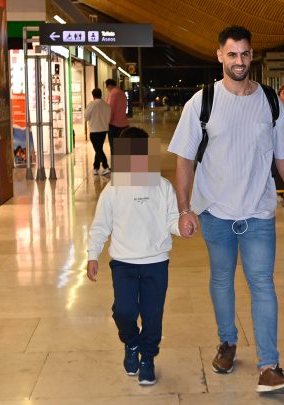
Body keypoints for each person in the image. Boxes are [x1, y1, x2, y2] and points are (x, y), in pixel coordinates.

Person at [168, 25, 284, 395]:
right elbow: (184, 159)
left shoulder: (271, 101)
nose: (239, 61)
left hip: (258, 211)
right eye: (232, 54)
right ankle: (227, 342)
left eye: (244, 54)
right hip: (214, 211)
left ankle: (269, 366)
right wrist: (184, 208)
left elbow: (282, 154)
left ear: (251, 55)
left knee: (263, 285)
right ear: (219, 56)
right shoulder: (202, 102)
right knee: (222, 279)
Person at [87, 127, 181, 386]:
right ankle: (131, 343)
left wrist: (181, 226)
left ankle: (147, 357)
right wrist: (93, 255)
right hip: (124, 263)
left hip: (156, 262)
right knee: (124, 311)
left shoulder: (163, 187)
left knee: (153, 315)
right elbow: (100, 225)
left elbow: (172, 219)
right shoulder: (113, 190)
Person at [85, 88, 111, 175]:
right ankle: (96, 167)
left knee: (98, 149)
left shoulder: (91, 104)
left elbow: (86, 117)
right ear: (101, 94)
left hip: (94, 130)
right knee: (98, 149)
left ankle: (106, 166)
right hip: (103, 131)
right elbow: (109, 117)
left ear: (93, 95)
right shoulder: (106, 105)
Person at [105, 78, 129, 154]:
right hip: (124, 124)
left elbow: (110, 110)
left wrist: (107, 124)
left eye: (106, 88)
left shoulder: (112, 94)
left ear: (109, 86)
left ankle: (115, 165)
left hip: (115, 126)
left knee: (114, 147)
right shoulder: (122, 93)